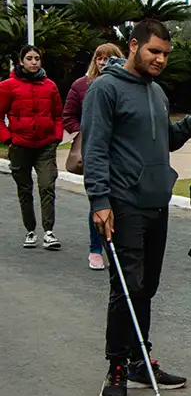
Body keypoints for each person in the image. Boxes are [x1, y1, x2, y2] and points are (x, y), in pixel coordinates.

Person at [81, 19, 191, 396]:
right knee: (127, 286)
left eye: (165, 54)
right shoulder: (105, 89)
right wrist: (100, 201)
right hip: (122, 203)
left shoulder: (157, 92)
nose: (160, 59)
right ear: (134, 46)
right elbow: (95, 148)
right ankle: (116, 368)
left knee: (146, 286)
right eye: (154, 52)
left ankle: (138, 361)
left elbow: (168, 140)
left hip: (155, 202)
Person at [64, 43, 124, 270]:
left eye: (108, 58)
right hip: (93, 152)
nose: (102, 62)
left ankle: (116, 248)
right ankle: (95, 249)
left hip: (118, 153)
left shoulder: (124, 85)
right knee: (98, 200)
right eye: (99, 58)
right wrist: (85, 131)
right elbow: (68, 116)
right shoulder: (82, 85)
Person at [0, 45, 63, 250]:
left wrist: (57, 136)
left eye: (37, 58)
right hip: (20, 146)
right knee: (24, 189)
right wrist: (8, 138)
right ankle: (30, 230)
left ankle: (49, 232)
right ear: (21, 61)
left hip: (45, 145)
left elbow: (58, 115)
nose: (34, 62)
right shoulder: (8, 86)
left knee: (47, 185)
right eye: (29, 58)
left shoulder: (50, 86)